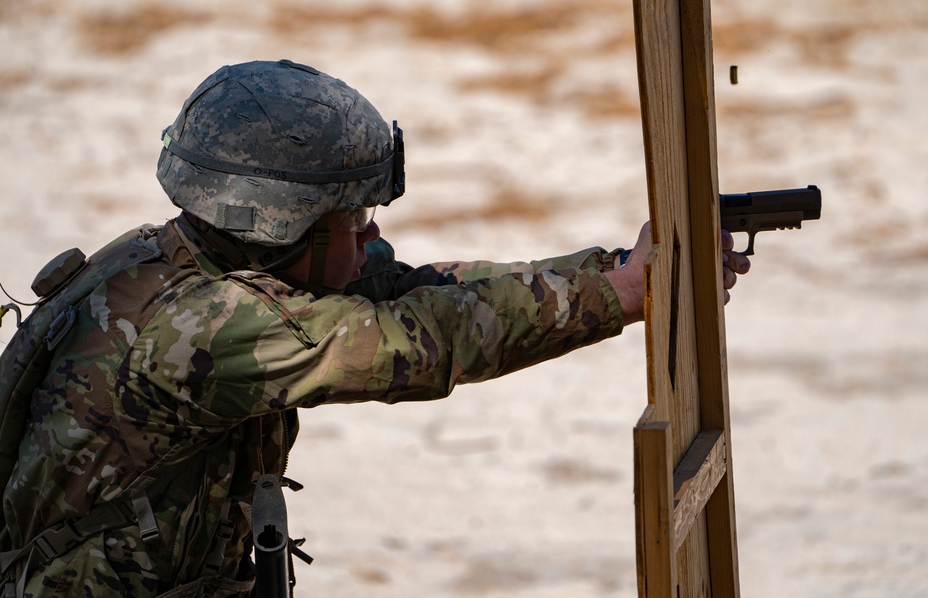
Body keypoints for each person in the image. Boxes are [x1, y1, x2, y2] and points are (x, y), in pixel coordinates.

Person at [0, 59, 750, 597]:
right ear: (283, 224)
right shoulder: (207, 330)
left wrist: (614, 270)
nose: (369, 236)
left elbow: (421, 289)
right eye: (352, 218)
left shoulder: (193, 257)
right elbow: (419, 342)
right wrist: (620, 295)